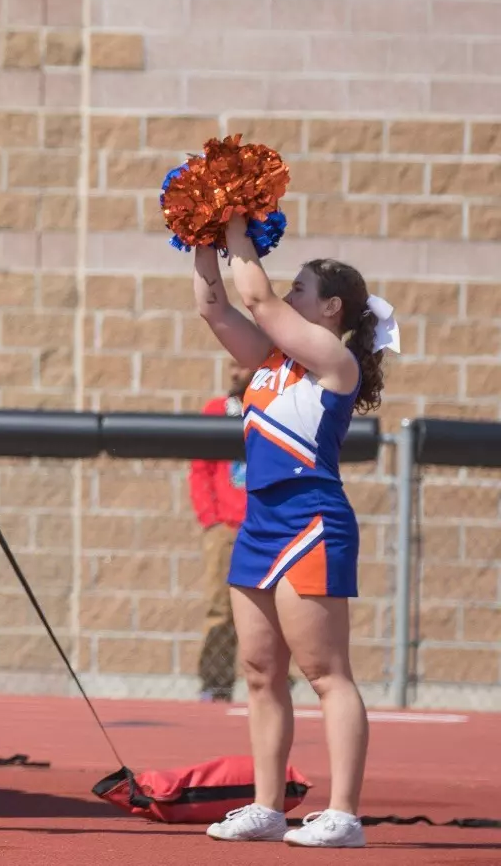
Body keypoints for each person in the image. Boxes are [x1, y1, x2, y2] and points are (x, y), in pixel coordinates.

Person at [194, 217, 394, 850]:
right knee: (259, 671)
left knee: (326, 671)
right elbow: (216, 306)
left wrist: (233, 223)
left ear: (331, 308)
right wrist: (200, 240)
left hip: (311, 519)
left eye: (302, 289)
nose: (290, 293)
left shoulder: (335, 362)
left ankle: (343, 813)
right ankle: (266, 805)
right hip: (259, 520)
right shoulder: (269, 359)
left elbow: (256, 297)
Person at [192, 363, 254, 704]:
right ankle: (215, 684)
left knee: (273, 608)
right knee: (220, 608)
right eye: (230, 365)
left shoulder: (274, 407)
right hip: (226, 529)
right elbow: (200, 470)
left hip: (266, 528)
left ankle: (278, 681)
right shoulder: (218, 412)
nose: (233, 372)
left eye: (240, 365)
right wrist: (211, 520)